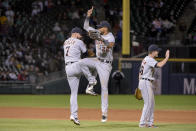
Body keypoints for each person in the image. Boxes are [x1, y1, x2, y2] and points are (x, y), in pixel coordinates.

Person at [82, 6, 115, 122]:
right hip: (97, 60)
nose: (98, 28)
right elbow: (85, 27)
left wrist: (100, 38)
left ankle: (104, 114)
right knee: (81, 62)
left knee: (104, 88)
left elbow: (110, 45)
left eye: (100, 27)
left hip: (106, 64)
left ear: (105, 28)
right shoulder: (97, 32)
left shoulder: (110, 36)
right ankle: (91, 81)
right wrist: (88, 16)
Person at [64, 27, 96, 125]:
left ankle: (74, 115)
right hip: (76, 65)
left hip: (68, 69)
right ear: (76, 33)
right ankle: (91, 83)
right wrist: (91, 51)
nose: (81, 37)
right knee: (97, 64)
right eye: (80, 35)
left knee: (73, 94)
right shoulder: (79, 42)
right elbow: (86, 54)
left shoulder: (65, 42)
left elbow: (75, 53)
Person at [138, 44, 170, 128]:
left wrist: (139, 86)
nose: (158, 52)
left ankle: (149, 123)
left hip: (145, 82)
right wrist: (166, 57)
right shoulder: (149, 59)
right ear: (152, 52)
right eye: (157, 50)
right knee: (148, 103)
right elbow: (159, 65)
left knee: (151, 104)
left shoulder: (146, 59)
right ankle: (142, 123)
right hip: (145, 82)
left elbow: (139, 74)